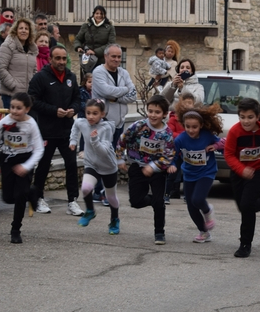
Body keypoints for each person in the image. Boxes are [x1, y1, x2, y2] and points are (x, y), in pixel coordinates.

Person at [27, 45, 83, 216]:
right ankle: (38, 198)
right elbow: (33, 100)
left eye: (64, 58)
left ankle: (72, 201)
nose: (61, 62)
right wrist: (53, 111)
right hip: (46, 130)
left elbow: (78, 98)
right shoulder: (40, 77)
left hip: (67, 131)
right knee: (44, 165)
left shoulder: (71, 77)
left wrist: (73, 109)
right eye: (57, 58)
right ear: (50, 59)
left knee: (72, 165)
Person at [116, 95, 176, 245]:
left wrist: (154, 166)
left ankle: (159, 232)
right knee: (135, 202)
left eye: (157, 112)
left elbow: (168, 155)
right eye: (150, 111)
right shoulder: (138, 126)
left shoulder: (167, 133)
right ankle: (153, 200)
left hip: (157, 170)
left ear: (164, 114)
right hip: (137, 166)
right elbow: (122, 140)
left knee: (159, 202)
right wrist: (120, 159)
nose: (153, 115)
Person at [0, 92, 44, 244]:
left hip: (25, 159)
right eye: (12, 107)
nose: (14, 111)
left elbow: (39, 149)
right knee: (8, 197)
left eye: (18, 108)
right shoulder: (4, 122)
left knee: (20, 195)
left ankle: (15, 229)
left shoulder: (31, 124)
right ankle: (32, 191)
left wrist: (26, 166)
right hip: (7, 160)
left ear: (27, 109)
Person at [224, 97, 260, 258]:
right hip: (239, 174)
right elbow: (228, 154)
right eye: (242, 117)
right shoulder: (235, 132)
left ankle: (245, 244)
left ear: (257, 116)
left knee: (247, 206)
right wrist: (241, 169)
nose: (246, 121)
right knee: (243, 206)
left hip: (258, 172)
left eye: (250, 117)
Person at [91, 44, 137, 204]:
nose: (117, 59)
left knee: (112, 156)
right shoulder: (98, 72)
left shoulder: (123, 72)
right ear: (106, 56)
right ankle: (101, 192)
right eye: (114, 56)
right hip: (103, 122)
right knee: (105, 158)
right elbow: (106, 91)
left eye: (119, 57)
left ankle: (100, 191)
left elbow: (133, 94)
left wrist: (116, 96)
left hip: (119, 122)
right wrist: (124, 90)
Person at [69, 98, 122, 235]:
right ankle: (90, 211)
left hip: (107, 165)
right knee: (86, 188)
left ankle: (115, 219)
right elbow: (76, 126)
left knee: (111, 197)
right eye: (88, 113)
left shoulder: (106, 128)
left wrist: (94, 140)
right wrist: (73, 140)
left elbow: (104, 151)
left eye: (95, 113)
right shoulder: (82, 122)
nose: (91, 117)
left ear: (102, 114)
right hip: (92, 163)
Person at [173, 103, 223, 243]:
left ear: (201, 125)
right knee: (190, 205)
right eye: (187, 126)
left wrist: (216, 146)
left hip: (207, 172)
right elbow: (173, 154)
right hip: (189, 173)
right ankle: (204, 232)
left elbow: (223, 144)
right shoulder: (181, 139)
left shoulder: (207, 136)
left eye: (194, 127)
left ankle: (208, 211)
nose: (190, 130)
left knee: (198, 199)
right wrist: (171, 165)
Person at [0, 18, 38, 110]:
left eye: (26, 29)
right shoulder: (7, 45)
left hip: (27, 95)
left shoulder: (32, 48)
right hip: (11, 95)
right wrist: (13, 85)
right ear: (15, 30)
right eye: (21, 28)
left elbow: (34, 70)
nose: (24, 31)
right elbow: (0, 68)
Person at [164, 91, 194, 203]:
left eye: (190, 103)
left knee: (188, 174)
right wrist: (185, 136)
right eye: (185, 103)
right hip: (176, 150)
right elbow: (171, 132)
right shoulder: (173, 118)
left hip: (189, 151)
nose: (187, 105)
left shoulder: (195, 119)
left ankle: (187, 195)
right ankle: (166, 194)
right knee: (172, 173)